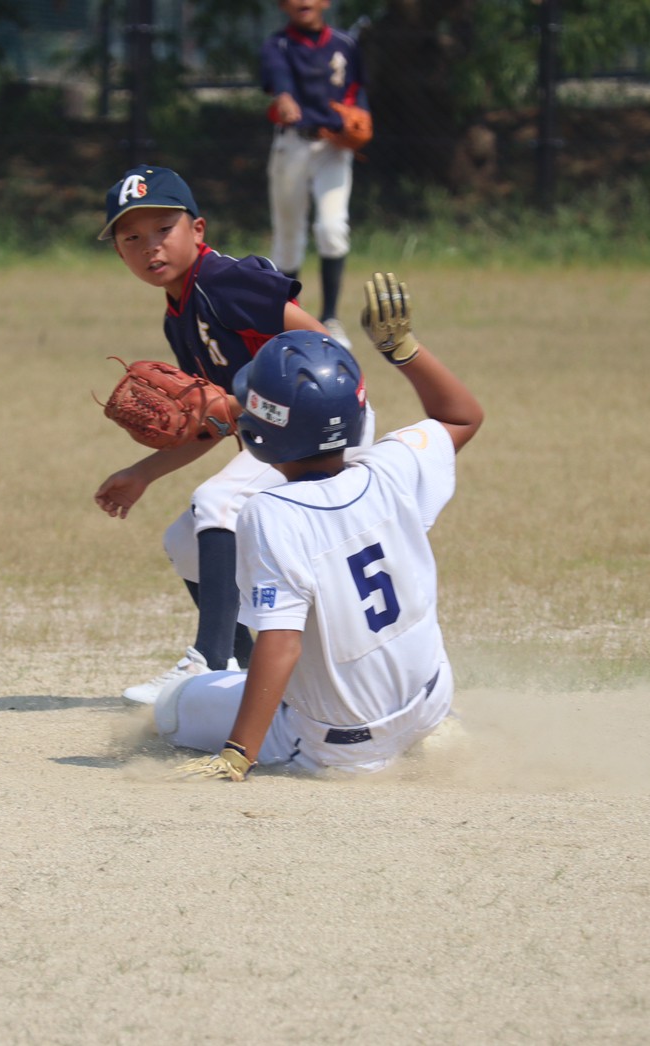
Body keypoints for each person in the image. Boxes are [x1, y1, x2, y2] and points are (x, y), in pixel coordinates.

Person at [160, 272, 484, 780]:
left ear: (261, 436)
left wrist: (237, 754)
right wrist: (403, 349)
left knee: (175, 705)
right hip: (431, 702)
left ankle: (265, 738)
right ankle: (435, 729)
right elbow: (462, 417)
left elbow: (281, 643)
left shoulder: (271, 513)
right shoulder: (392, 467)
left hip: (342, 749)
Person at [93, 164, 375, 705]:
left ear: (197, 231)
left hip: (324, 424)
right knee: (185, 542)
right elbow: (216, 421)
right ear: (119, 253)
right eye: (132, 237)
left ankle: (209, 658)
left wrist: (250, 400)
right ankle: (248, 670)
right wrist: (141, 474)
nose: (150, 247)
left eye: (163, 229)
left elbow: (324, 347)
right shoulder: (179, 316)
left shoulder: (222, 282)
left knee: (217, 502)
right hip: (282, 438)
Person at [260, 0, 368, 351]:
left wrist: (359, 118)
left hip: (333, 149)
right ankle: (288, 319)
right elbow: (278, 78)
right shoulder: (278, 45)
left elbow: (357, 90)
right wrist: (285, 97)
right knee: (288, 237)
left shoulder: (344, 44)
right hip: (292, 145)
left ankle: (331, 319)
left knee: (333, 228)